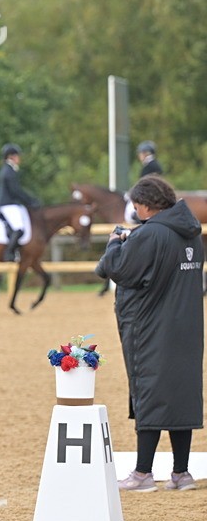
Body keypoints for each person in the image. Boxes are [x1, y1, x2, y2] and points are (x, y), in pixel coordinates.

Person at [96, 176, 204, 491]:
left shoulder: (152, 233)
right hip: (187, 327)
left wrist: (115, 243)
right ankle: (181, 473)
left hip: (153, 326)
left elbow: (116, 269)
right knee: (181, 395)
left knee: (150, 391)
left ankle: (143, 474)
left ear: (144, 205)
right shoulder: (191, 233)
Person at [0, 143, 41, 261]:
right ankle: (9, 253)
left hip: (9, 203)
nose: (19, 158)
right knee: (19, 228)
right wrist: (30, 201)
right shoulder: (9, 171)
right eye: (17, 156)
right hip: (7, 204)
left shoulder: (9, 170)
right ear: (11, 157)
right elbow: (16, 191)